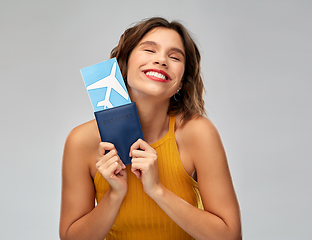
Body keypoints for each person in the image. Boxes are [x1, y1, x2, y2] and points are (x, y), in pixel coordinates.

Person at [59, 17, 242, 240]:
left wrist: (157, 190)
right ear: (123, 65)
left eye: (174, 57)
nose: (161, 60)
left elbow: (230, 236)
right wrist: (115, 195)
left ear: (182, 81)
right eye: (149, 50)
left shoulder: (198, 133)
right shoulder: (82, 141)